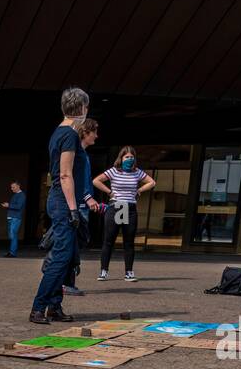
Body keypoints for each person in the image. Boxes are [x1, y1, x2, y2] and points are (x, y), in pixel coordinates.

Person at [29, 87, 90, 325]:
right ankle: (38, 307)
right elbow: (65, 175)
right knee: (61, 257)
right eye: (86, 107)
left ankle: (54, 307)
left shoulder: (60, 133)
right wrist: (74, 209)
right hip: (63, 201)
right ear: (82, 108)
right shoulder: (69, 135)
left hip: (60, 200)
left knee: (66, 256)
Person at [93, 147, 155, 282]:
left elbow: (152, 182)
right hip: (116, 206)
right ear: (121, 158)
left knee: (129, 242)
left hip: (130, 208)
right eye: (127, 157)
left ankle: (129, 272)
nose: (130, 159)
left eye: (132, 157)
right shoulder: (114, 171)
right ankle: (103, 271)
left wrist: (139, 190)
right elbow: (96, 181)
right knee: (109, 241)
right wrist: (109, 192)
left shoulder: (137, 172)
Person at [61, 118, 101, 296]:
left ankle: (66, 280)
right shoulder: (79, 154)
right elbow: (76, 180)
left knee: (76, 243)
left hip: (82, 203)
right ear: (86, 133)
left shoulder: (82, 154)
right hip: (80, 204)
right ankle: (64, 281)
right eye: (94, 132)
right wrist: (88, 198)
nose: (96, 136)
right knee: (73, 244)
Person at [1, 181, 26, 257]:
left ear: (18, 186)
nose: (12, 189)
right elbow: (13, 206)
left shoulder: (21, 195)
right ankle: (11, 251)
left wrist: (8, 205)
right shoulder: (15, 195)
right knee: (11, 235)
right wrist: (7, 206)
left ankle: (12, 253)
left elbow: (18, 207)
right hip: (11, 217)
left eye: (13, 187)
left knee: (13, 235)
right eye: (11, 187)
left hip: (15, 218)